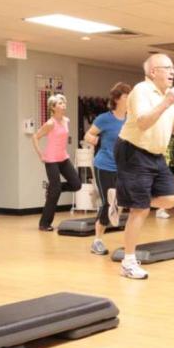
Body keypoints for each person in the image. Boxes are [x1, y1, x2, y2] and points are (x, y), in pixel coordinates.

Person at [110, 53, 174, 280]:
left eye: (173, 68)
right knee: (140, 209)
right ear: (152, 72)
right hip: (133, 151)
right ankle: (128, 263)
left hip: (155, 155)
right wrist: (167, 102)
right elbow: (142, 121)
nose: (172, 72)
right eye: (167, 68)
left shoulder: (167, 95)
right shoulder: (142, 90)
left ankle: (124, 199)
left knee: (171, 199)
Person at [83, 82, 130, 255]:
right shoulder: (105, 118)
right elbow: (88, 134)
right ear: (117, 99)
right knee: (108, 202)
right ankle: (97, 241)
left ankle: (106, 205)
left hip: (122, 167)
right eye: (126, 95)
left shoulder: (130, 119)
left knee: (118, 202)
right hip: (104, 165)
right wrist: (93, 140)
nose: (129, 98)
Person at [33, 94, 82, 231]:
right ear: (53, 107)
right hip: (51, 159)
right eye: (60, 103)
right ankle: (44, 224)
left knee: (76, 184)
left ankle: (53, 187)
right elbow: (35, 137)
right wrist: (40, 154)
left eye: (64, 103)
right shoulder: (50, 123)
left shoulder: (66, 120)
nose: (63, 105)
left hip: (63, 157)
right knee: (55, 192)